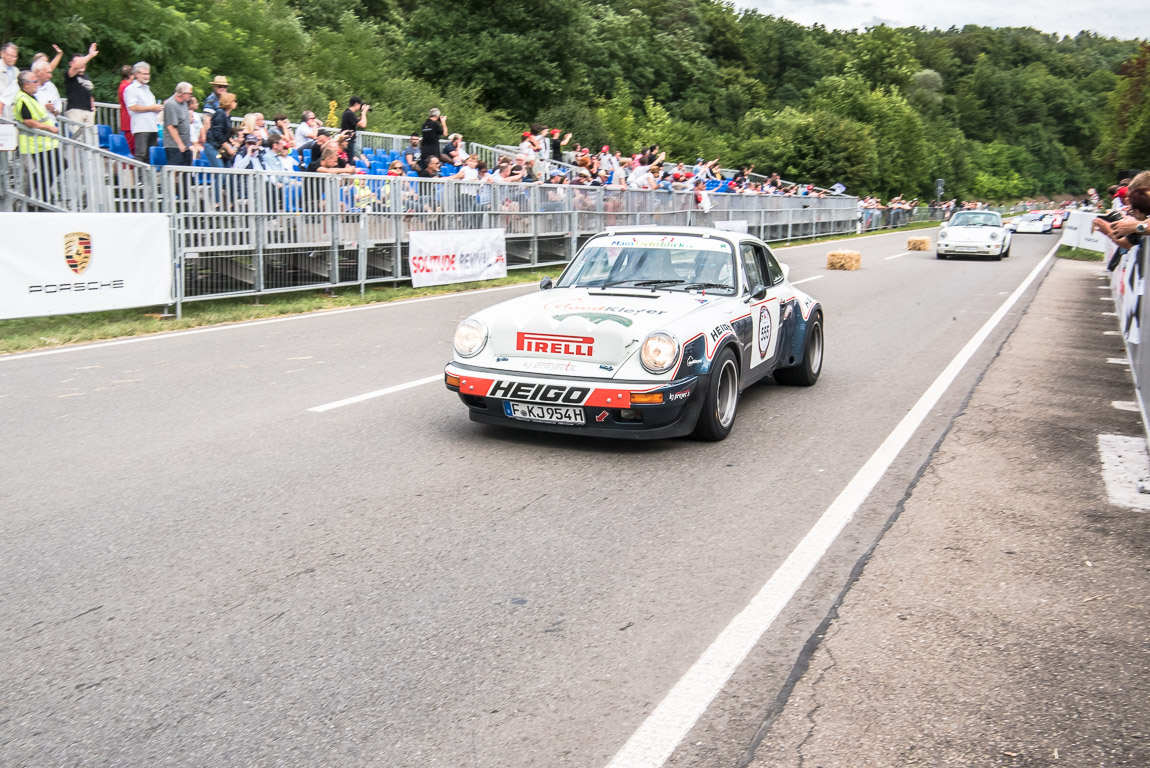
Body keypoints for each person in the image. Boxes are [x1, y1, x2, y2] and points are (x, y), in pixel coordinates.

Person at [13, 70, 62, 195]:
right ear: (26, 84)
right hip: (36, 143)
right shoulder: (22, 98)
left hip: (43, 141)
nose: (37, 83)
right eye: (35, 81)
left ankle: (38, 193)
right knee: (49, 169)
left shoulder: (30, 96)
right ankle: (38, 195)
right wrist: (49, 128)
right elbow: (28, 121)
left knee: (53, 167)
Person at [124, 61, 163, 163]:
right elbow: (132, 107)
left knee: (151, 156)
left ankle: (149, 177)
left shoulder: (147, 89)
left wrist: (156, 109)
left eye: (148, 74)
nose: (147, 76)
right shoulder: (131, 89)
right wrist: (151, 108)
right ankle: (140, 178)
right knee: (141, 155)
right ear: (136, 74)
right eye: (144, 74)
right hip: (141, 127)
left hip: (152, 126)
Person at [63, 44, 99, 145]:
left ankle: (89, 161)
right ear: (71, 63)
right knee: (78, 140)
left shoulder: (86, 76)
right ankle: (77, 160)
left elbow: (89, 92)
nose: (82, 64)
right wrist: (90, 55)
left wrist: (92, 107)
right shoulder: (70, 75)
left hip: (88, 111)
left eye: (83, 61)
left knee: (90, 141)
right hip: (75, 111)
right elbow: (76, 67)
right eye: (79, 62)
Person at [162, 82, 194, 166]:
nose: (191, 96)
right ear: (183, 93)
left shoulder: (184, 103)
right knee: (175, 168)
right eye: (190, 93)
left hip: (185, 144)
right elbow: (171, 127)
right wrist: (180, 144)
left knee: (187, 170)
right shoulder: (171, 104)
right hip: (174, 145)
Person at [204, 91, 235, 168]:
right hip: (213, 146)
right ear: (229, 102)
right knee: (221, 173)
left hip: (220, 147)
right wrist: (228, 147)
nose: (235, 103)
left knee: (228, 174)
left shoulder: (227, 116)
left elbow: (225, 133)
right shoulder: (220, 113)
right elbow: (217, 133)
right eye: (234, 101)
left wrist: (232, 141)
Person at [116, 64, 135, 154]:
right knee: (130, 147)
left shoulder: (123, 85)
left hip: (128, 120)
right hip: (128, 120)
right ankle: (128, 167)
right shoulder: (126, 87)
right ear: (130, 75)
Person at [0, 42, 17, 118]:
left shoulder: (16, 71)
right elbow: (3, 91)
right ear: (2, 54)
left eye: (15, 57)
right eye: (11, 56)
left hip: (12, 110)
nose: (13, 59)